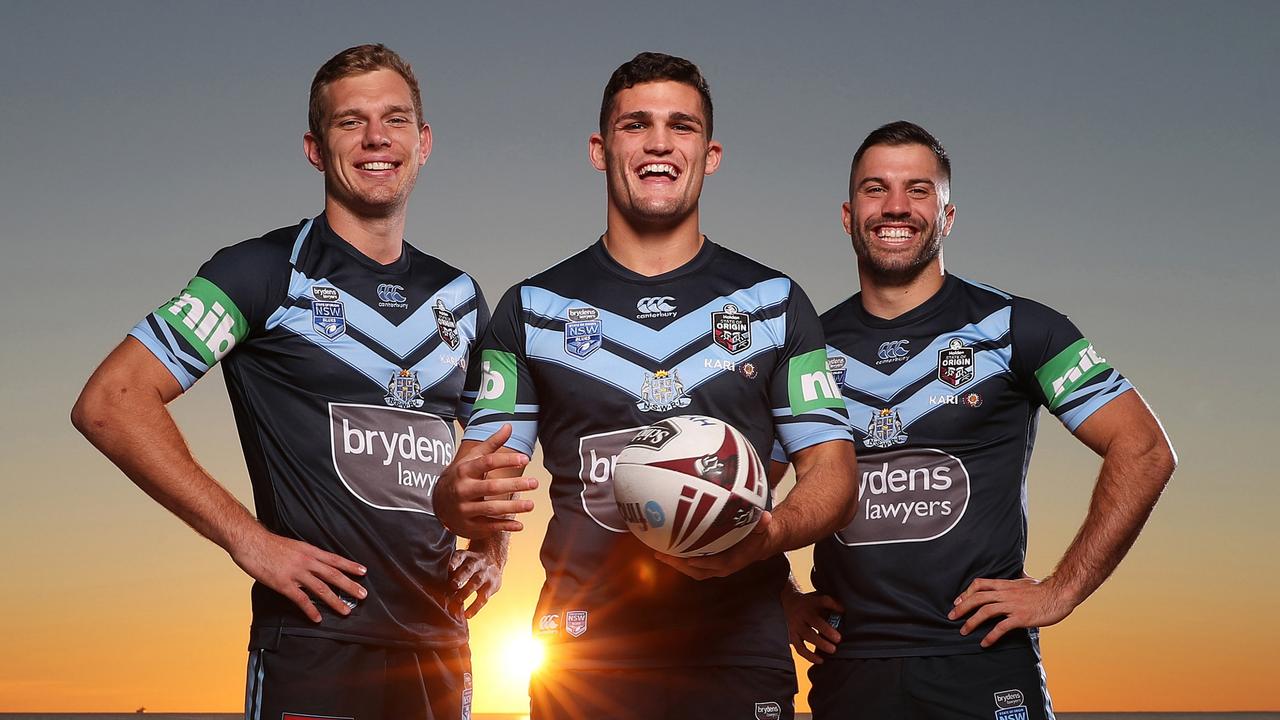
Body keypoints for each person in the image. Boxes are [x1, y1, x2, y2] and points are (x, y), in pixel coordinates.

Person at [71, 44, 517, 720]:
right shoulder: (259, 273)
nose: (376, 138)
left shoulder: (459, 296)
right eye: (351, 122)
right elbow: (112, 401)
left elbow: (494, 445)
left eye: (395, 120)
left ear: (422, 143)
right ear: (315, 148)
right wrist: (248, 540)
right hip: (316, 644)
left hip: (441, 643)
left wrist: (492, 549)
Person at [431, 52, 858, 720]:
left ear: (709, 154)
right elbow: (480, 478)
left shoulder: (775, 304)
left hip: (737, 652)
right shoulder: (531, 309)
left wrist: (771, 534)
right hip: (583, 659)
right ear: (601, 150)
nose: (659, 141)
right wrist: (452, 500)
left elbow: (832, 471)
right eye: (637, 125)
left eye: (680, 126)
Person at [780, 121, 1177, 719]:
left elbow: (1144, 449)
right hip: (850, 667)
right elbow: (735, 474)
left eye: (918, 190)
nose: (896, 206)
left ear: (947, 215)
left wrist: (1062, 590)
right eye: (875, 188)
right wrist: (778, 595)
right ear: (847, 213)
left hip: (983, 662)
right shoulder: (805, 348)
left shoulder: (1019, 328)